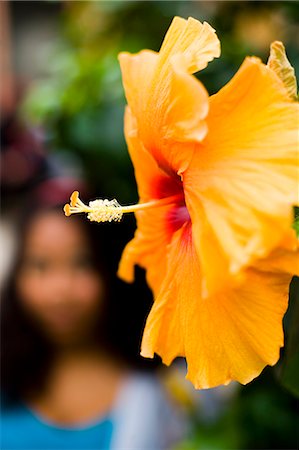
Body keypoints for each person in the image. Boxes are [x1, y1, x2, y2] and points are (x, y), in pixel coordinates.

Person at [0, 178, 184, 450]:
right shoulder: (6, 377)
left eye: (82, 264)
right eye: (40, 266)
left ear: (109, 269)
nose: (60, 290)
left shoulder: (164, 392)